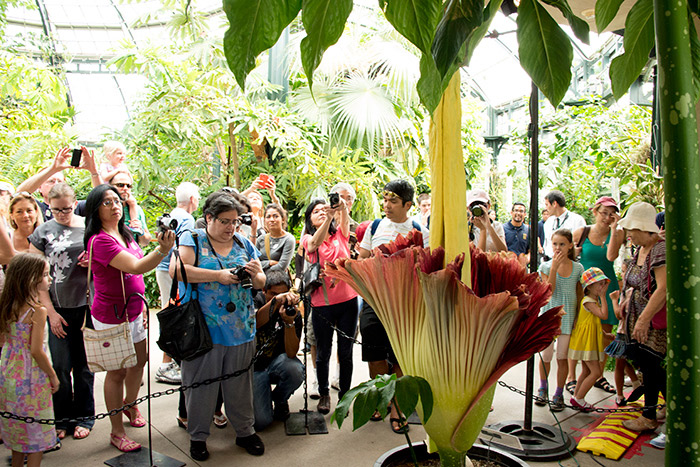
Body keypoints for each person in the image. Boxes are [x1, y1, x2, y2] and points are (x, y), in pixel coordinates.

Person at [84, 184, 175, 453]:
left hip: (135, 311)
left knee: (140, 362)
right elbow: (136, 266)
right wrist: (162, 250)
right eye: (106, 202)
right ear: (95, 209)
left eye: (117, 201)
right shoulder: (100, 240)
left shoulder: (124, 233)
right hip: (111, 316)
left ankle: (129, 404)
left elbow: (138, 258)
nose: (115, 206)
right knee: (117, 371)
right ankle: (116, 431)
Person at [177, 194, 266, 461]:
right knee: (200, 387)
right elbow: (178, 270)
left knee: (240, 385)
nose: (231, 228)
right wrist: (218, 276)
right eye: (225, 221)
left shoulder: (244, 242)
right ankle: (198, 437)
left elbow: (261, 282)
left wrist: (254, 275)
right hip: (203, 329)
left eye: (235, 222)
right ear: (208, 218)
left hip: (241, 327)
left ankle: (244, 432)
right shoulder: (193, 239)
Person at [358, 180, 430, 434]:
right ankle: (380, 400)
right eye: (385, 200)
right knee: (375, 353)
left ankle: (399, 407)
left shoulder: (420, 230)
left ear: (408, 205)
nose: (386, 205)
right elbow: (362, 259)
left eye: (393, 201)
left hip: (405, 305)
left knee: (401, 356)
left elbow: (427, 267)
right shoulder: (374, 227)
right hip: (374, 302)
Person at [28, 183, 94, 440]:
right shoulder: (42, 232)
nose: (63, 214)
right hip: (57, 307)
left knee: (84, 367)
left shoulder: (89, 226)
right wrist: (50, 313)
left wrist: (92, 261)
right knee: (60, 365)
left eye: (67, 208)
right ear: (48, 206)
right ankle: (62, 419)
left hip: (86, 305)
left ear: (75, 202)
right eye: (56, 210)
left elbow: (108, 260)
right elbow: (36, 279)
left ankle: (86, 417)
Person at [0, 253, 60, 467]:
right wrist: (53, 376)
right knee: (36, 441)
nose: (50, 278)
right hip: (31, 378)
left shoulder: (7, 305)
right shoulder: (38, 311)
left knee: (18, 437)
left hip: (8, 373)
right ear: (31, 280)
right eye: (45, 275)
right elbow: (35, 349)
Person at [301, 197, 358, 415]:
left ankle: (345, 395)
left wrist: (341, 208)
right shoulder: (307, 238)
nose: (321, 213)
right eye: (316, 212)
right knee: (323, 352)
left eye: (323, 210)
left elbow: (344, 222)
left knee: (345, 352)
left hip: (348, 302)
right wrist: (329, 219)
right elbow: (315, 243)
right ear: (310, 219)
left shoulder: (340, 236)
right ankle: (324, 393)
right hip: (322, 304)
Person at [616, 202, 667, 432]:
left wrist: (645, 319)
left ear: (643, 228)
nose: (629, 234)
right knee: (648, 365)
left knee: (651, 364)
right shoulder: (640, 249)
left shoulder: (659, 249)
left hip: (652, 321)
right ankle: (665, 407)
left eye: (632, 230)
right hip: (637, 318)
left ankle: (649, 417)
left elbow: (663, 288)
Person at [573, 196, 626, 395]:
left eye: (611, 214)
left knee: (603, 335)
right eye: (604, 213)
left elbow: (611, 257)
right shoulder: (582, 232)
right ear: (595, 212)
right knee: (580, 330)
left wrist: (614, 229)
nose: (607, 217)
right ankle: (574, 377)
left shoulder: (618, 233)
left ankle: (599, 375)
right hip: (584, 290)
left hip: (604, 288)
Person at [154, 182, 200, 385]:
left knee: (169, 310)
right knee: (174, 313)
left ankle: (169, 360)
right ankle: (167, 362)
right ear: (192, 200)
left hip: (161, 268)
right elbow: (185, 249)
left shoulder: (171, 214)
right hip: (173, 272)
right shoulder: (188, 219)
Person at [534, 229, 583, 412]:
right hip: (550, 315)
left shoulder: (578, 268)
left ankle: (559, 392)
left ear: (570, 245)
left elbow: (579, 294)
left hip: (568, 316)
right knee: (546, 356)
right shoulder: (546, 266)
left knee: (562, 357)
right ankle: (543, 387)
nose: (558, 248)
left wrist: (578, 317)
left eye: (562, 244)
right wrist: (554, 267)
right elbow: (549, 291)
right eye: (555, 244)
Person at [252, 271, 303, 431]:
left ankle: (279, 399)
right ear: (264, 291)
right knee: (262, 422)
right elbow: (255, 323)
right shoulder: (255, 302)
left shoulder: (291, 311)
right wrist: (275, 302)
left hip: (277, 363)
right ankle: (264, 398)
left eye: (283, 294)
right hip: (254, 368)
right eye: (273, 294)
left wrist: (289, 323)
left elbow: (291, 353)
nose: (280, 298)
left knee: (294, 369)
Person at [17, 147, 102, 221]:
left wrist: (93, 171)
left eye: (60, 181)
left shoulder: (78, 207)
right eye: (51, 181)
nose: (56, 184)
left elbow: (103, 199)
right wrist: (53, 169)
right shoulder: (37, 208)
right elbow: (20, 193)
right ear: (40, 187)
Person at [568, 267, 610, 411]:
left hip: (589, 341)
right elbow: (604, 315)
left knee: (586, 371)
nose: (602, 287)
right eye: (600, 284)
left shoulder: (592, 300)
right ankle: (580, 398)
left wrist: (605, 335)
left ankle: (576, 397)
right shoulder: (588, 301)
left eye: (603, 284)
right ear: (589, 286)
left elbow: (593, 324)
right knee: (596, 373)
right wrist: (604, 297)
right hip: (587, 343)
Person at [109, 171, 152, 247]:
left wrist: (140, 231)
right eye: (120, 185)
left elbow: (145, 242)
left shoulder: (137, 210)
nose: (125, 188)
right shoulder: (105, 208)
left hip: (133, 255)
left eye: (128, 186)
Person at [542, 190, 586, 261]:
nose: (546, 208)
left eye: (547, 205)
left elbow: (580, 246)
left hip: (567, 264)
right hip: (549, 262)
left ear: (554, 204)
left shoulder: (577, 220)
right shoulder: (548, 222)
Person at [255, 204, 295, 274]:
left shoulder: (288, 239)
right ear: (264, 220)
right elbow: (254, 262)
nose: (272, 220)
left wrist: (262, 269)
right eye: (268, 217)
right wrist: (270, 263)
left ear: (282, 219)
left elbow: (282, 266)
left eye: (275, 216)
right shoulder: (261, 239)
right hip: (260, 282)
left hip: (277, 281)